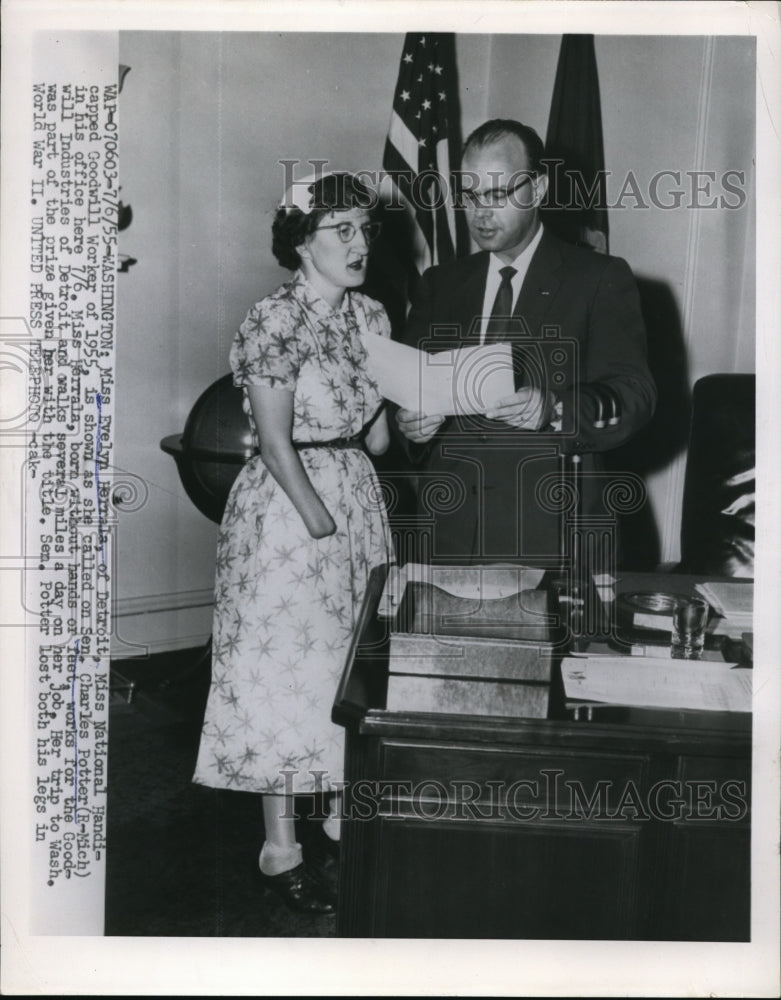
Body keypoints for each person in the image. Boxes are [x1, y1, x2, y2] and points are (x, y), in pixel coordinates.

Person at [192, 171, 394, 915]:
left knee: (347, 661)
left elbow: (375, 434)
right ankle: (280, 849)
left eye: (364, 229)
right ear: (300, 243)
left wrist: (421, 418)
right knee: (285, 669)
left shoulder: (371, 316)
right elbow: (273, 442)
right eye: (340, 229)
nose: (359, 243)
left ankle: (339, 812)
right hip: (289, 509)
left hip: (354, 492)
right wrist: (316, 520)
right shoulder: (273, 319)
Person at [395, 119, 657, 567]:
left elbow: (635, 397)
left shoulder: (597, 279)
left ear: (537, 188)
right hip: (446, 539)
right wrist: (411, 426)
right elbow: (406, 393)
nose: (480, 212)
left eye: (498, 194)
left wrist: (553, 409)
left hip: (550, 539)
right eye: (470, 194)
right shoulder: (440, 285)